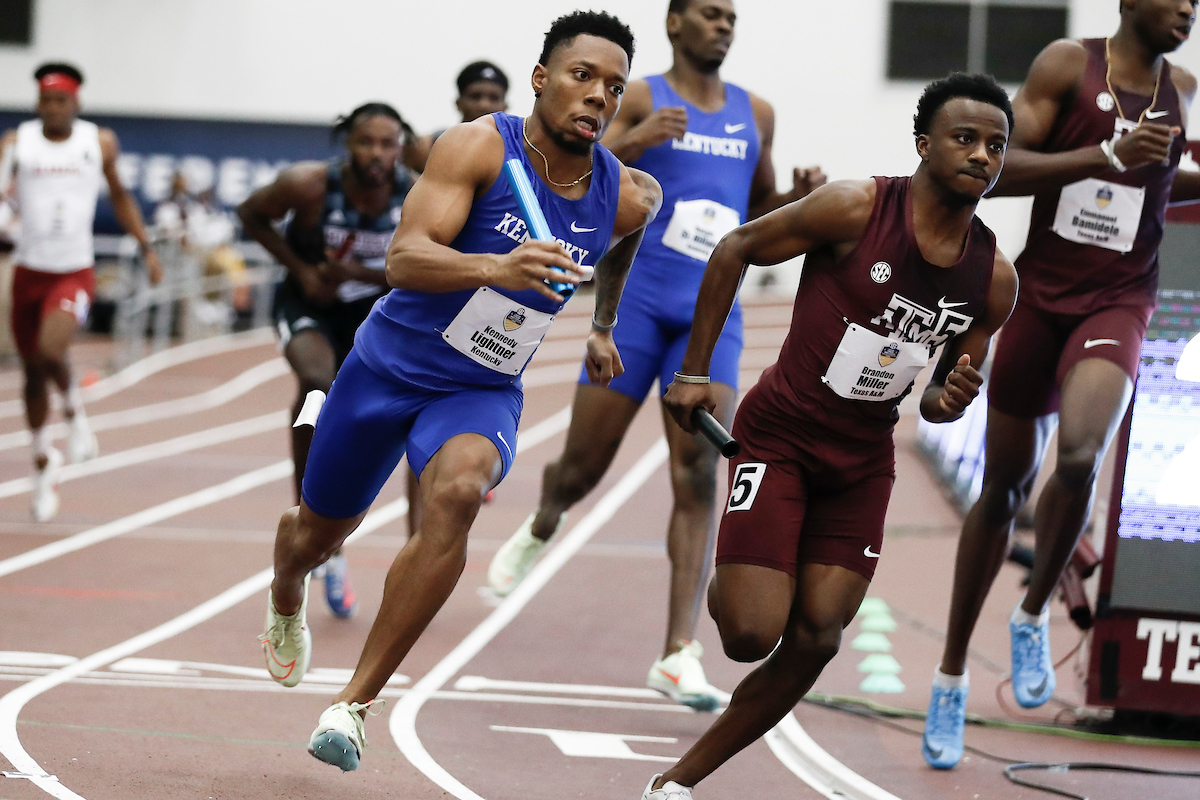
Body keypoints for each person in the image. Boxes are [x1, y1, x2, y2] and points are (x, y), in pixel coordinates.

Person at [260, 10, 662, 772]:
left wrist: (604, 324)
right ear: (542, 78)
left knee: (458, 491)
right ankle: (286, 590)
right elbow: (405, 259)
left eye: (613, 87)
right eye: (582, 77)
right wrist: (496, 268)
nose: (597, 98)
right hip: (385, 372)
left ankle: (353, 705)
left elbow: (627, 238)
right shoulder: (479, 145)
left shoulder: (627, 195)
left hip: (480, 387)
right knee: (317, 535)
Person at [640, 73, 1018, 799]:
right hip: (779, 437)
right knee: (751, 633)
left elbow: (937, 403)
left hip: (862, 462)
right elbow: (734, 249)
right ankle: (745, 562)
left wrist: (952, 395)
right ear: (923, 144)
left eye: (995, 146)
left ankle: (678, 784)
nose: (981, 155)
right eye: (964, 138)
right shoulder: (856, 207)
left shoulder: (992, 279)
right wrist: (693, 373)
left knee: (817, 636)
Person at [487, 0, 826, 712]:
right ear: (675, 23)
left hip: (712, 316)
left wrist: (796, 198)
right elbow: (585, 167)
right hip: (639, 304)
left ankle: (678, 653)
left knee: (699, 468)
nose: (724, 24)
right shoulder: (636, 95)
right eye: (709, 13)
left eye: (732, 15)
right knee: (582, 467)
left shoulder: (755, 112)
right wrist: (638, 136)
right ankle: (547, 518)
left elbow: (758, 206)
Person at [922, 0, 1199, 770]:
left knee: (1080, 453)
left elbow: (1155, 185)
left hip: (1119, 300)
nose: (1185, 9)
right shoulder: (1064, 65)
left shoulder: (1182, 85)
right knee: (1002, 491)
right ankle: (949, 677)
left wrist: (1171, 174)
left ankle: (1035, 610)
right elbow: (997, 172)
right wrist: (1105, 155)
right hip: (1040, 298)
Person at [238, 102, 416, 619]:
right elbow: (250, 213)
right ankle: (315, 526)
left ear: (400, 148)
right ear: (348, 145)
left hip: (371, 311)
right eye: (367, 143)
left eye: (388, 144)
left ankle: (328, 524)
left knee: (370, 408)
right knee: (318, 382)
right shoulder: (308, 185)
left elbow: (426, 262)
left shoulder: (418, 193)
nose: (377, 154)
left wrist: (359, 273)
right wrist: (301, 269)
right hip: (308, 304)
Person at [0, 63, 162, 522]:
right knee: (32, 374)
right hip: (28, 271)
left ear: (76, 103)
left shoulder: (98, 142)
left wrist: (146, 248)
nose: (52, 108)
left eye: (61, 100)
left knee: (53, 350)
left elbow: (121, 197)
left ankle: (74, 415)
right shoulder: (17, 143)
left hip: (73, 272)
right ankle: (41, 461)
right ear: (37, 104)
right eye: (45, 100)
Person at [405, 60, 510, 173]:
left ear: (505, 107)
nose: (484, 105)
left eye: (494, 98)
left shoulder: (517, 151)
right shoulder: (427, 148)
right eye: (475, 96)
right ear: (458, 103)